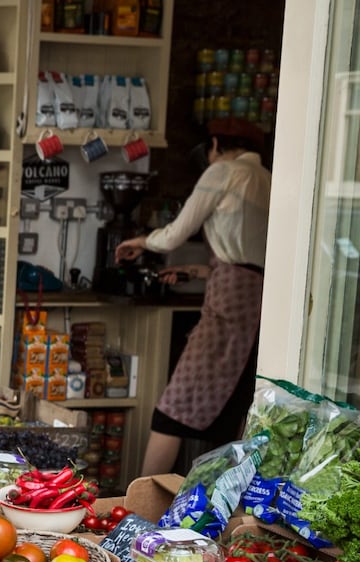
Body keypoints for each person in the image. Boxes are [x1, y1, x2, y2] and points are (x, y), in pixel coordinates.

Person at [114, 117, 271, 476]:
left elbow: (174, 236)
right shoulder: (269, 179)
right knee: (235, 407)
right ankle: (212, 507)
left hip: (229, 300)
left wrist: (141, 242)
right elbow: (248, 258)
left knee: (173, 407)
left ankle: (140, 505)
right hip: (257, 300)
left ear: (215, 144)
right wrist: (198, 272)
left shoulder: (224, 172)